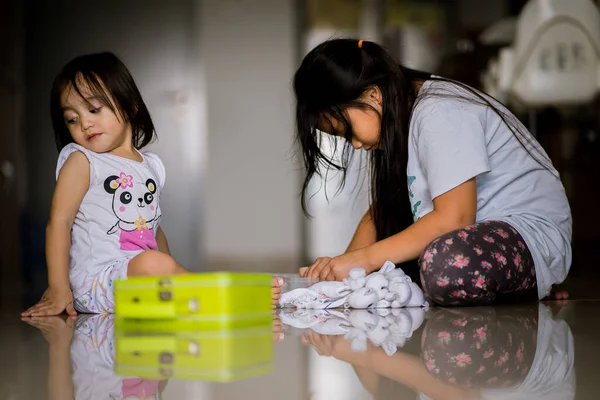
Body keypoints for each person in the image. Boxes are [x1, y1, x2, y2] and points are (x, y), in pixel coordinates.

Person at [294, 39, 571, 306]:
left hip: (531, 236)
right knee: (416, 261)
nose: (354, 144)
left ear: (373, 95)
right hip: (483, 238)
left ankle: (525, 284)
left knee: (443, 264)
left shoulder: (440, 111)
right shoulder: (405, 117)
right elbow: (382, 211)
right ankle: (514, 287)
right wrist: (342, 270)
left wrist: (363, 261)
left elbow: (455, 218)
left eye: (348, 132)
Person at [22, 52, 282, 316]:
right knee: (152, 264)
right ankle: (226, 295)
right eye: (72, 119)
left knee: (157, 267)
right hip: (95, 283)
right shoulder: (82, 161)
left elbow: (153, 229)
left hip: (137, 275)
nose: (85, 123)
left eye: (93, 109)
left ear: (130, 105)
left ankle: (204, 293)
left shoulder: (150, 166)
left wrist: (170, 267)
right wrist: (58, 287)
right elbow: (59, 222)